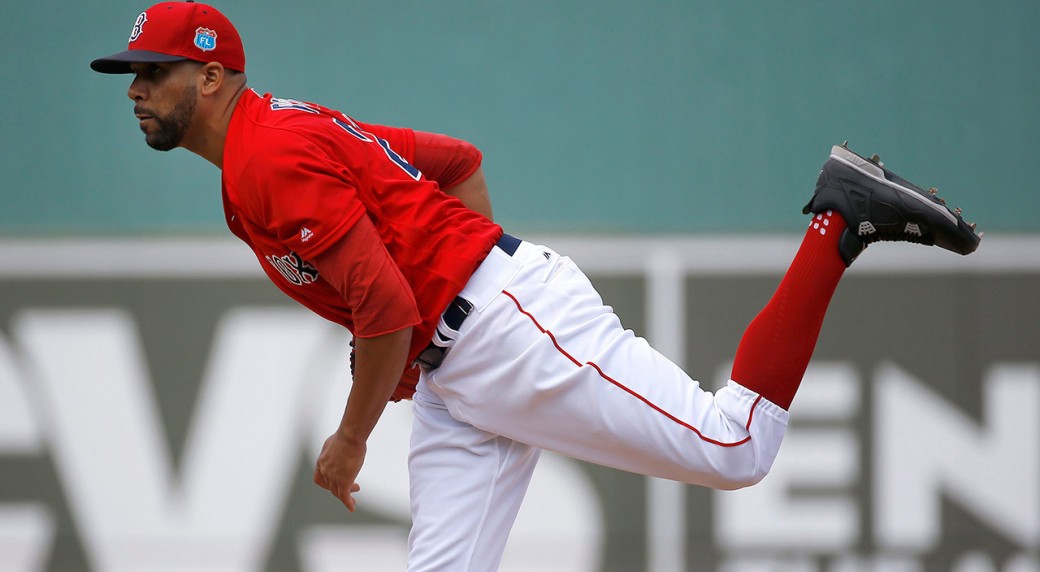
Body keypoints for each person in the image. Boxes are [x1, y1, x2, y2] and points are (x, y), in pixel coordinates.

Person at [90, 2, 981, 569]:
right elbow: (457, 165)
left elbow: (387, 307)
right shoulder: (269, 146)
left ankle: (840, 219)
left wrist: (352, 438)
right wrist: (437, 295)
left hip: (503, 329)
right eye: (133, 73)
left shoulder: (269, 156)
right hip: (459, 368)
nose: (136, 88)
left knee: (735, 446)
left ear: (211, 75)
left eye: (153, 71)